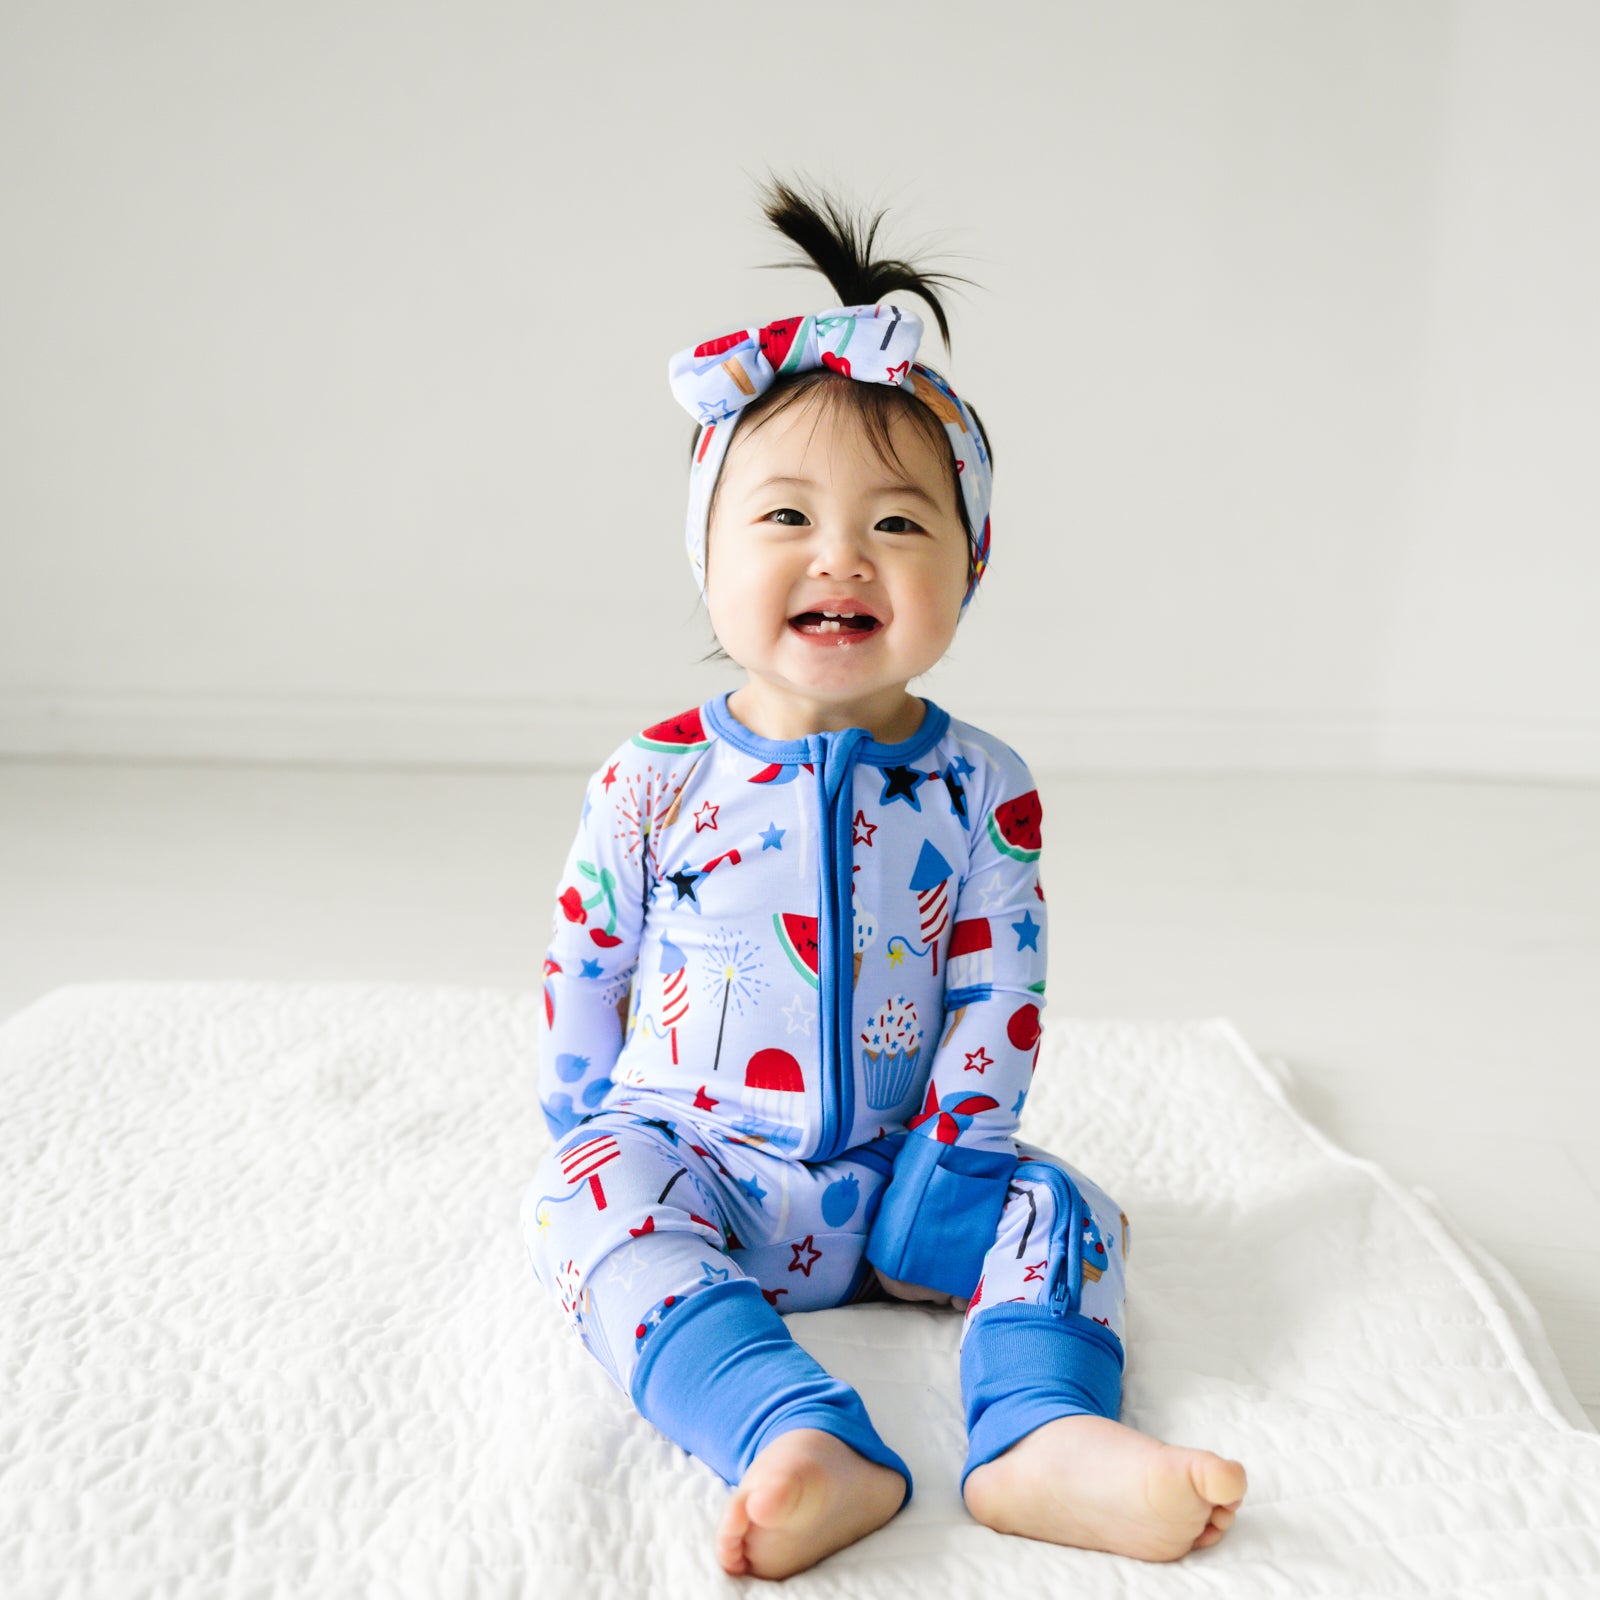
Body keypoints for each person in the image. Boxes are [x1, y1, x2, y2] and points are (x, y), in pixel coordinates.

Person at [520, 173, 1248, 1580]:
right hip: (704, 1163)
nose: (841, 554)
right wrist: (586, 1128)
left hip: (916, 1188)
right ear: (709, 554)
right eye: (784, 516)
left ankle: (1042, 1434)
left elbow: (1002, 992)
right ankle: (791, 1432)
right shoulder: (654, 779)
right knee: (585, 1204)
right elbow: (583, 967)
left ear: (970, 568)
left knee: (1068, 1213)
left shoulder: (986, 786)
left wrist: (955, 1168)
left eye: (900, 525)